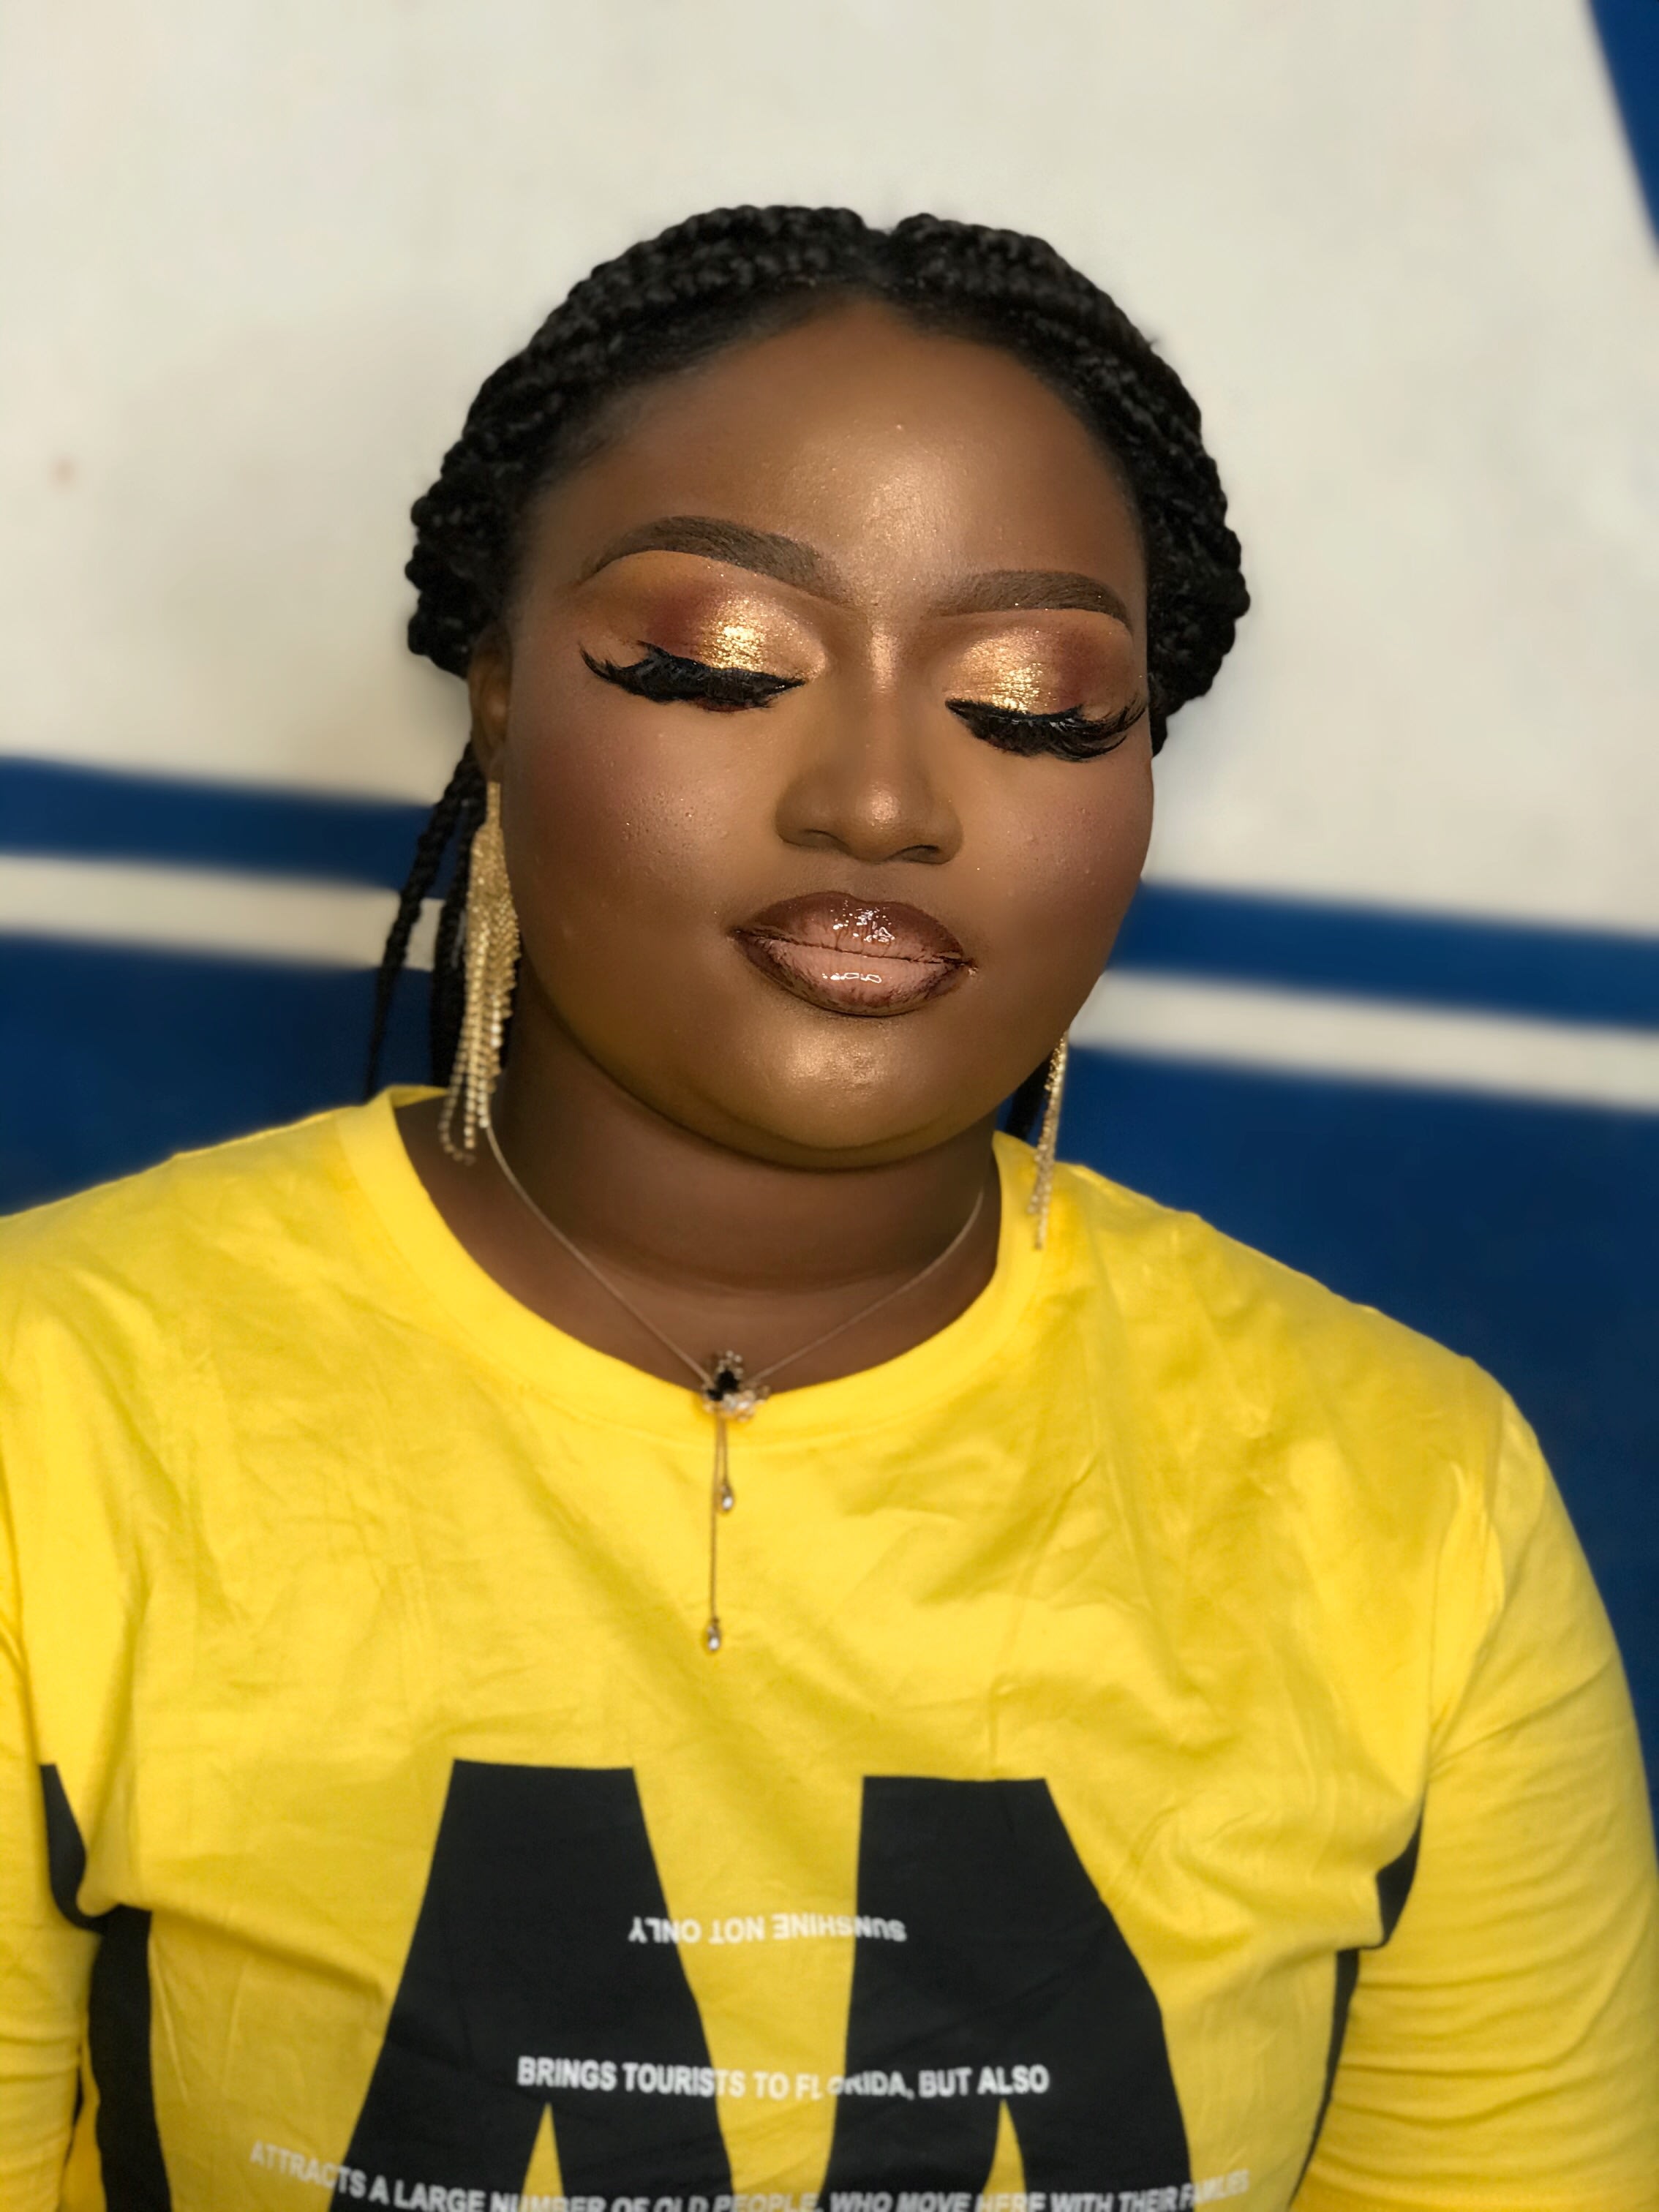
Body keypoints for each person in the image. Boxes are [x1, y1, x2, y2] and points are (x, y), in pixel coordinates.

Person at [1, 206, 1654, 2212]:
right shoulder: (50, 1414)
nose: (879, 800)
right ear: (497, 696)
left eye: (1032, 700)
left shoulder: (1414, 1503)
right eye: (718, 663)